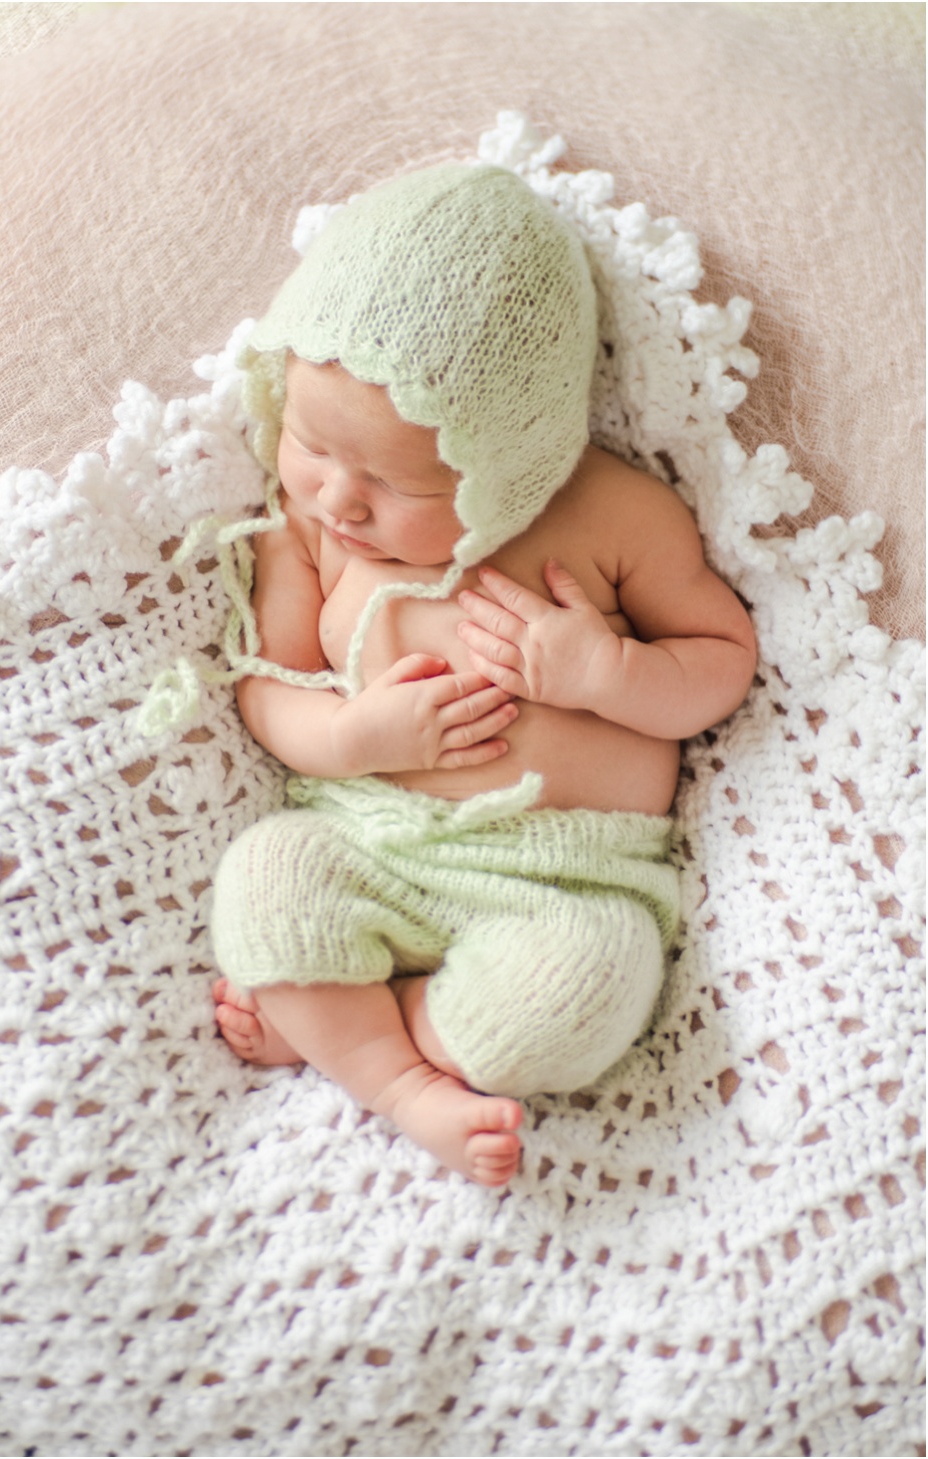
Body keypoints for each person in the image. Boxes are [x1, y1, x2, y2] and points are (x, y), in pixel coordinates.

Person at [210, 163, 757, 1186]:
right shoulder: (312, 536)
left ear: (516, 453)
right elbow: (263, 686)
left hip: (565, 879)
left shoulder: (613, 516)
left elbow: (722, 664)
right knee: (266, 879)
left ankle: (376, 1025)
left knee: (588, 989)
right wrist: (351, 737)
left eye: (392, 480)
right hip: (376, 844)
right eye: (310, 441)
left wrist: (606, 673)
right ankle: (399, 1080)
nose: (338, 495)